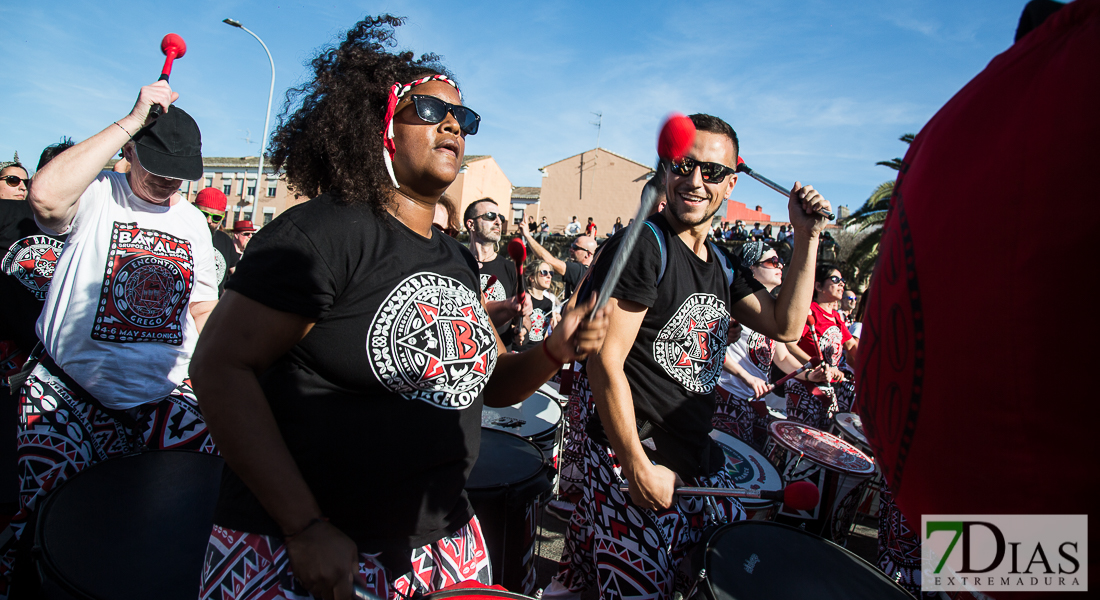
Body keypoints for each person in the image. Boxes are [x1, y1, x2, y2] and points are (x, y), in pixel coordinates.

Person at [188, 16, 609, 600]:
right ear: (382, 125)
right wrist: (304, 525)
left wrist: (553, 350)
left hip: (441, 538)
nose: (454, 126)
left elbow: (483, 382)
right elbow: (218, 368)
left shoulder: (455, 259)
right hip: (316, 547)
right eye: (431, 111)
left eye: (464, 118)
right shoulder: (322, 232)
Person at [549, 113, 831, 600]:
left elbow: (786, 324)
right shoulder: (646, 245)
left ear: (731, 182)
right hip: (636, 459)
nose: (696, 181)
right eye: (684, 165)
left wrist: (806, 235)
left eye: (713, 172)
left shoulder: (721, 261)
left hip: (690, 462)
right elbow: (604, 362)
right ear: (665, 169)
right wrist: (636, 465)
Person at [0, 84, 219, 597]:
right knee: (46, 535)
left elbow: (203, 307)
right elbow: (45, 197)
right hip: (68, 400)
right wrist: (132, 118)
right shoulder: (98, 192)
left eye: (178, 174)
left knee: (158, 534)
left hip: (163, 405)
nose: (167, 183)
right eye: (157, 168)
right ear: (131, 152)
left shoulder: (191, 222)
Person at [0, 146, 71, 518]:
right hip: (8, 365)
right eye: (14, 181)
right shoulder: (8, 215)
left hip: (55, 380)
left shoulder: (87, 225)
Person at [712, 241, 833, 449]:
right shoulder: (733, 305)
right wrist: (747, 377)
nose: (780, 266)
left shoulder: (774, 314)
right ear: (751, 268)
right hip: (727, 398)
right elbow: (714, 349)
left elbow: (783, 357)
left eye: (781, 262)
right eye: (773, 261)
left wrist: (809, 375)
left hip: (756, 402)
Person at [782, 265, 858, 428]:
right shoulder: (809, 312)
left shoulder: (837, 317)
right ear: (818, 286)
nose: (841, 284)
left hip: (829, 388)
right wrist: (816, 364)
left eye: (843, 281)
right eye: (835, 279)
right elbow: (789, 344)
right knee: (803, 440)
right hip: (803, 386)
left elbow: (851, 345)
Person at [464, 198, 530, 351]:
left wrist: (523, 328)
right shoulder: (457, 264)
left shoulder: (511, 268)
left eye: (500, 218)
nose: (498, 222)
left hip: (499, 358)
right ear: (471, 224)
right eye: (490, 216)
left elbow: (524, 313)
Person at [520, 225, 596, 303]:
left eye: (575, 247)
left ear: (588, 254)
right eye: (571, 246)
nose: (570, 250)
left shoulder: (578, 270)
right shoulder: (592, 271)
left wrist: (527, 235)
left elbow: (548, 260)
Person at [195, 188, 240, 296]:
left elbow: (238, 275)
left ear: (222, 217)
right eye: (204, 214)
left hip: (212, 309)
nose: (209, 221)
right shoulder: (180, 234)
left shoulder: (225, 241)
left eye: (216, 217)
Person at [516, 261, 561, 353]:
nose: (549, 276)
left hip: (537, 353)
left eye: (551, 273)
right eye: (544, 272)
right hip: (519, 352)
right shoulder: (522, 298)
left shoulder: (548, 303)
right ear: (531, 278)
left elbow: (544, 333)